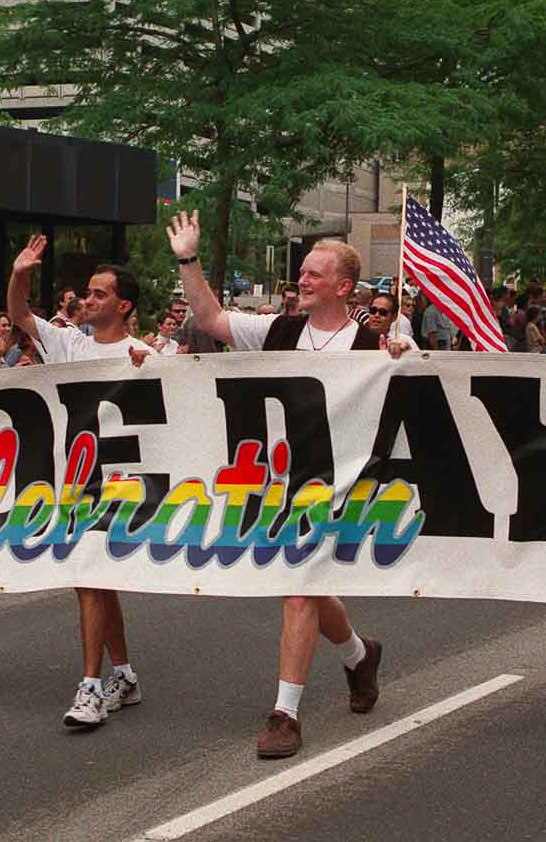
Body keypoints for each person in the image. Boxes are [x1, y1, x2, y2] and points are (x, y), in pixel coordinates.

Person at [169, 214, 394, 761]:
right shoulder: (276, 329)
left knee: (299, 587)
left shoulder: (375, 344)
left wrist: (406, 362)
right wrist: (188, 259)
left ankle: (285, 715)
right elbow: (210, 318)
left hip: (346, 484)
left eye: (315, 273)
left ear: (343, 286)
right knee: (309, 585)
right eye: (303, 273)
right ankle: (358, 656)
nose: (303, 280)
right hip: (286, 479)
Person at [6, 238, 155, 732]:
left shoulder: (143, 354)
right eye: (86, 294)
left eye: (97, 294)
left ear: (123, 304)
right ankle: (125, 675)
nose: (85, 301)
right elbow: (19, 313)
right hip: (73, 475)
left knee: (91, 576)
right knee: (92, 580)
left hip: (122, 482)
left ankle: (91, 686)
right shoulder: (70, 341)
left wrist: (149, 375)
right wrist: (20, 271)